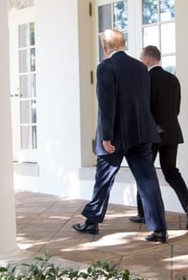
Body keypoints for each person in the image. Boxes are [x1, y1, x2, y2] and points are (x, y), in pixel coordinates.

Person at [72, 30, 169, 243]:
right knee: (147, 181)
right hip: (142, 132)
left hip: (116, 135)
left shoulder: (106, 67)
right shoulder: (140, 67)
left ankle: (92, 222)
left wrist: (106, 136)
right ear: (123, 44)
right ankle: (159, 229)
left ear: (105, 48)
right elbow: (142, 100)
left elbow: (107, 104)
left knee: (104, 179)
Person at [130, 45, 188, 229]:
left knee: (145, 173)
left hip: (152, 134)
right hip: (172, 133)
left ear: (147, 60)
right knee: (171, 172)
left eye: (141, 59)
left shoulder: (145, 79)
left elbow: (144, 109)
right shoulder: (173, 79)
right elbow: (176, 109)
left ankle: (144, 213)